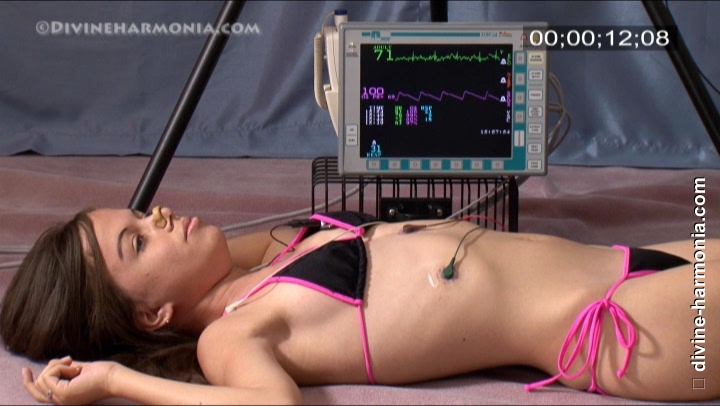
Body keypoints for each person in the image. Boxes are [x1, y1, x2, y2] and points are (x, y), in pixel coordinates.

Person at [0, 206, 717, 404]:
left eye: (140, 211)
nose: (159, 215)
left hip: (626, 262)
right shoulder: (233, 335)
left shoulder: (265, 257)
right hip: (614, 328)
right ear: (151, 317)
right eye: (138, 241)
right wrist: (117, 377)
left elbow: (204, 264)